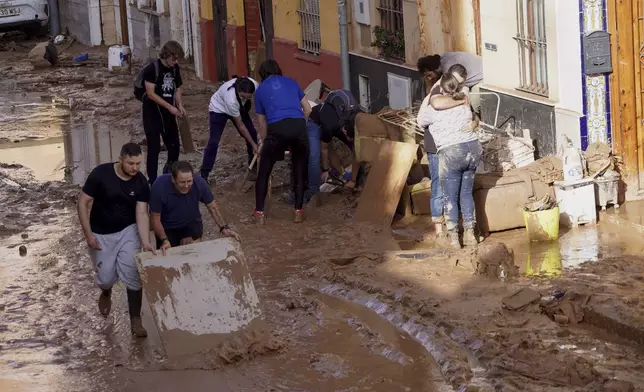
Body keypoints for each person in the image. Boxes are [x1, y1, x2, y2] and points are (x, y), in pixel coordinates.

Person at [77, 143, 156, 338]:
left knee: (133, 273)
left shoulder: (141, 182)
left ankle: (136, 321)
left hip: (128, 232)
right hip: (101, 233)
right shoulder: (100, 174)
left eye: (138, 163)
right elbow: (82, 202)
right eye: (131, 163)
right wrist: (88, 235)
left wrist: (145, 241)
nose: (135, 168)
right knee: (105, 278)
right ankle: (106, 291)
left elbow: (142, 213)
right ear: (120, 159)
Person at [421, 70, 481, 248]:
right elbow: (474, 117)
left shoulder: (434, 108)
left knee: (450, 197)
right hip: (472, 150)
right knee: (466, 193)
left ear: (442, 90)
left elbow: (421, 120)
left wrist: (429, 98)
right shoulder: (465, 103)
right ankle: (471, 235)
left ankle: (454, 238)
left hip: (452, 152)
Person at [252, 59, 312, 224]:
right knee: (299, 170)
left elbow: (262, 123)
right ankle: (298, 212)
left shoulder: (260, 90)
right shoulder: (292, 82)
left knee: (264, 171)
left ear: (262, 73)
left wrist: (263, 143)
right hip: (298, 125)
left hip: (276, 128)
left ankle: (259, 214)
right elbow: (308, 109)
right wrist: (300, 128)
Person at [150, 161, 241, 253]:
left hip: (191, 225)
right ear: (173, 179)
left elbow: (212, 207)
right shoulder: (159, 186)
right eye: (182, 182)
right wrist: (164, 239)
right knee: (169, 259)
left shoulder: (199, 183)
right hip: (168, 229)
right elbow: (155, 219)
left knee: (194, 256)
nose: (186, 186)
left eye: (189, 181)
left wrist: (224, 228)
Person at [200, 76, 260, 184]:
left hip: (238, 108)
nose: (246, 100)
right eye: (243, 97)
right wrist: (253, 144)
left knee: (252, 133)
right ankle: (204, 175)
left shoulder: (254, 84)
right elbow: (241, 125)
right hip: (219, 109)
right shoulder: (231, 99)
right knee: (214, 142)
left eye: (248, 98)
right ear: (238, 91)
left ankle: (253, 167)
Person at [141, 40, 186, 185]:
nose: (176, 61)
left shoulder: (174, 68)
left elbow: (178, 87)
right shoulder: (151, 69)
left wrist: (179, 105)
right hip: (152, 112)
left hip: (168, 112)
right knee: (153, 147)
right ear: (166, 55)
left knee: (174, 145)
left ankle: (169, 175)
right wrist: (169, 107)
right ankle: (152, 181)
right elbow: (151, 94)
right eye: (174, 58)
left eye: (177, 59)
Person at [317, 89, 361, 189]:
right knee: (318, 153)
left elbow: (357, 154)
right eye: (349, 138)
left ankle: (357, 176)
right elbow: (326, 150)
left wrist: (353, 180)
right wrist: (325, 170)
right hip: (314, 121)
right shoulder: (329, 126)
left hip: (344, 118)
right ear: (344, 132)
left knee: (357, 149)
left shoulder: (359, 120)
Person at [417, 52, 483, 114]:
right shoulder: (444, 58)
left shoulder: (449, 68)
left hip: (484, 76)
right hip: (481, 68)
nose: (429, 78)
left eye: (429, 75)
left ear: (434, 69)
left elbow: (453, 90)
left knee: (474, 105)